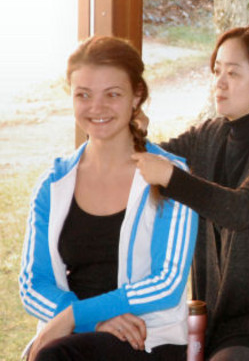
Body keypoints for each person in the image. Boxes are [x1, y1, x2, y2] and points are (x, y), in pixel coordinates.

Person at [132, 26, 249, 361]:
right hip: (217, 328)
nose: (219, 82)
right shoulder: (210, 135)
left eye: (233, 73)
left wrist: (171, 177)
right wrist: (132, 131)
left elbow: (241, 209)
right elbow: (148, 160)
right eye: (217, 71)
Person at [19, 35, 198, 361]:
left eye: (112, 94)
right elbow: (33, 284)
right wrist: (92, 321)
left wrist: (75, 316)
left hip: (147, 338)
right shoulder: (54, 184)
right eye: (83, 95)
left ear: (136, 96)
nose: (96, 108)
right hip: (74, 340)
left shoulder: (169, 176)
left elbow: (166, 284)